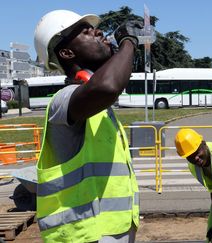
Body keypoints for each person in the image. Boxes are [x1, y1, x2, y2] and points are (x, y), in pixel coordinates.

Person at [34, 10, 143, 242]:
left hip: (111, 230)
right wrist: (128, 42)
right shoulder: (63, 100)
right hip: (85, 234)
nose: (99, 32)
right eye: (86, 31)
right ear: (66, 52)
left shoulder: (100, 110)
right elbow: (108, 86)